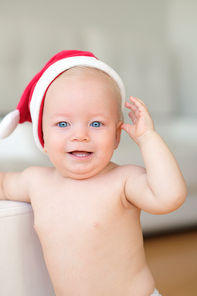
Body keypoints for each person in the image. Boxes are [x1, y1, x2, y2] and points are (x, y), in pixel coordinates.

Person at [0, 50, 187, 296]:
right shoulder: (35, 180)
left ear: (117, 135)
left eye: (96, 123)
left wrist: (147, 138)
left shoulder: (123, 181)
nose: (80, 135)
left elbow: (170, 196)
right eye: (63, 124)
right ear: (43, 137)